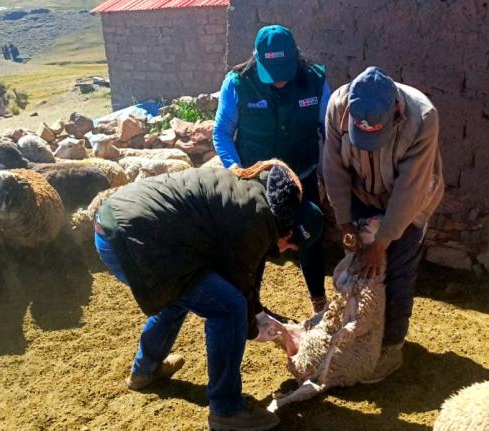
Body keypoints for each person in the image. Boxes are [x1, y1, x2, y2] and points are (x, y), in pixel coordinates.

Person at [94, 161, 323, 431]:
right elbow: (238, 285)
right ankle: (226, 410)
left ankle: (146, 369)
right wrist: (256, 328)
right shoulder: (256, 222)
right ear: (289, 232)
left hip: (114, 224)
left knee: (179, 295)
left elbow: (246, 275)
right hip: (136, 242)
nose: (285, 252)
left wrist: (264, 317)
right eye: (290, 247)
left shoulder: (255, 196)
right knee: (228, 308)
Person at [322, 66, 444, 383]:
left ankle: (391, 345)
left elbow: (410, 190)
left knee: (398, 266)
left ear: (394, 115)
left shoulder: (422, 118)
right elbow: (334, 168)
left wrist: (382, 241)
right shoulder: (336, 107)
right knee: (359, 265)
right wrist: (346, 222)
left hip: (411, 195)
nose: (366, 144)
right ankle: (362, 331)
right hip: (363, 190)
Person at [213, 24, 332, 313]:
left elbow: (329, 131)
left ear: (296, 58)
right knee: (254, 245)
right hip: (256, 183)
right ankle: (249, 304)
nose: (279, 82)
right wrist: (237, 173)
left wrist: (330, 173)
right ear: (257, 59)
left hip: (302, 178)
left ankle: (319, 300)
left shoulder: (316, 81)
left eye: (284, 72)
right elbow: (222, 133)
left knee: (311, 238)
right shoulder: (238, 83)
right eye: (271, 73)